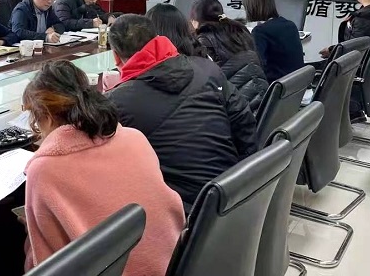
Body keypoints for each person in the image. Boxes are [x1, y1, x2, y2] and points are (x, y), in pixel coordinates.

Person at [22, 60, 184, 276]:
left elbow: (46, 264)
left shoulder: (44, 170)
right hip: (171, 265)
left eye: (35, 121)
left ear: (47, 116)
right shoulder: (135, 138)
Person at [106, 15, 257, 209]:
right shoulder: (207, 68)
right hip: (232, 190)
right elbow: (244, 121)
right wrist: (247, 177)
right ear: (157, 39)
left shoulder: (118, 102)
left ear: (116, 56)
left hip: (183, 212)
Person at [190, 0, 269, 111]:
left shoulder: (204, 39)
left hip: (236, 108)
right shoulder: (240, 30)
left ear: (196, 20)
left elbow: (202, 84)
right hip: (263, 103)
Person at [243, 0, 305, 83]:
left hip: (276, 86)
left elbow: (256, 68)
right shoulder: (290, 25)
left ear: (251, 7)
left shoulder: (260, 32)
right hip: (296, 85)